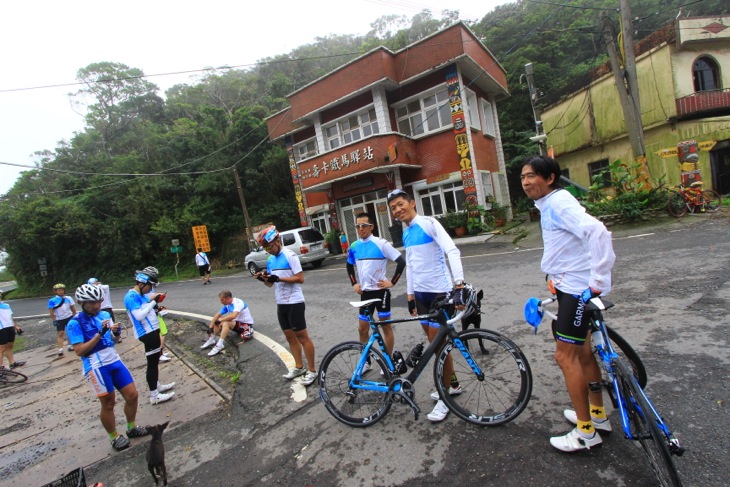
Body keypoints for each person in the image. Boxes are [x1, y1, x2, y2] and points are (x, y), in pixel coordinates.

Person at [521, 155, 616, 452]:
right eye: (522, 177)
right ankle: (598, 415)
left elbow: (597, 231)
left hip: (577, 292)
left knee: (566, 357)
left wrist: (599, 280)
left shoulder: (559, 203)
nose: (525, 182)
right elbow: (567, 248)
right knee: (584, 353)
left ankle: (586, 432)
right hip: (568, 287)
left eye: (531, 176)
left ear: (549, 178)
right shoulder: (549, 205)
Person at [386, 189, 467, 422]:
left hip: (439, 294)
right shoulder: (407, 232)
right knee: (436, 345)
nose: (398, 210)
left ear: (412, 203)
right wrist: (410, 295)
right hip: (420, 296)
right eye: (393, 208)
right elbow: (410, 265)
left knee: (440, 346)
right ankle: (452, 385)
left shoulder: (429, 223)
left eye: (401, 204)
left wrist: (458, 284)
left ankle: (445, 398)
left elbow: (452, 250)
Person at [67, 284, 149, 451]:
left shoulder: (104, 314)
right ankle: (114, 436)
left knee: (132, 395)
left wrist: (116, 333)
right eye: (91, 303)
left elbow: (112, 339)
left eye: (99, 301)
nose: (96, 306)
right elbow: (79, 351)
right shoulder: (74, 323)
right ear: (81, 302)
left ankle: (131, 427)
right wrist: (99, 333)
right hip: (96, 366)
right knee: (109, 403)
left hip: (113, 359)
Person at [252, 226, 317, 386]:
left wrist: (279, 279)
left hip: (294, 302)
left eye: (269, 246)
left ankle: (312, 370)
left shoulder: (290, 255)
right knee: (289, 337)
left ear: (276, 240)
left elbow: (300, 278)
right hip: (281, 303)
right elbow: (270, 284)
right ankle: (299, 367)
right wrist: (264, 279)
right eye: (265, 247)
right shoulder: (269, 260)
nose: (268, 250)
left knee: (302, 337)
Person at [346, 212, 405, 365]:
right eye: (358, 226)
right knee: (362, 329)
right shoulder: (354, 246)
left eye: (363, 226)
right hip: (365, 293)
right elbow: (349, 265)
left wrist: (392, 282)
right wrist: (354, 283)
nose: (360, 229)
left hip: (381, 293)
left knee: (385, 327)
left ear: (371, 227)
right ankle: (366, 361)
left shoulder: (381, 243)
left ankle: (387, 360)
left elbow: (401, 261)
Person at [124, 267, 176, 405]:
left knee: (154, 362)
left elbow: (148, 299)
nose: (151, 289)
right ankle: (154, 395)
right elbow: (139, 315)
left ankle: (157, 386)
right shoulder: (131, 297)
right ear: (141, 284)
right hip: (147, 333)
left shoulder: (140, 294)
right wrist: (153, 302)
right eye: (150, 286)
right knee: (152, 364)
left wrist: (156, 300)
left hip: (152, 330)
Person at [201, 290, 255, 356]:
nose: (221, 302)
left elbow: (233, 316)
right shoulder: (228, 305)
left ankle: (219, 345)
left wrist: (221, 320)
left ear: (228, 298)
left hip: (245, 325)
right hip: (236, 324)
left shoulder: (238, 303)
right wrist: (211, 326)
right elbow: (218, 314)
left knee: (225, 322)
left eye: (222, 300)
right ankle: (211, 339)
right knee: (217, 321)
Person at [48, 283, 77, 356]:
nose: (61, 291)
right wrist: (54, 320)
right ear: (55, 291)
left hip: (69, 316)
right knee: (60, 333)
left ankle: (70, 346)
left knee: (70, 331)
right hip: (59, 319)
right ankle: (60, 349)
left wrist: (75, 315)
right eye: (59, 290)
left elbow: (72, 308)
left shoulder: (68, 298)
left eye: (62, 290)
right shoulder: (52, 300)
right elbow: (51, 311)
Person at [0, 292, 25, 369]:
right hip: (1, 328)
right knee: (1, 348)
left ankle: (12, 363)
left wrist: (15, 326)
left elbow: (10, 317)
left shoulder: (6, 305)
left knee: (9, 346)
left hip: (9, 327)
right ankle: (1, 368)